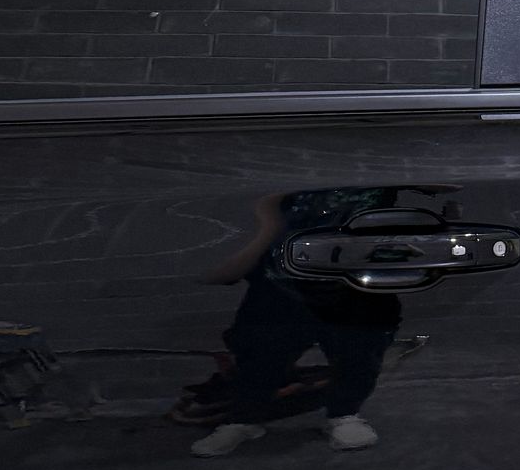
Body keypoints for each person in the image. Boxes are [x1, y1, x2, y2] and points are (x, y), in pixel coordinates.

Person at [174, 186, 415, 454]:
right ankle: (243, 420)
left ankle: (344, 415)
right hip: (281, 282)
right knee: (260, 358)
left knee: (359, 354)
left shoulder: (375, 182)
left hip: (354, 284)